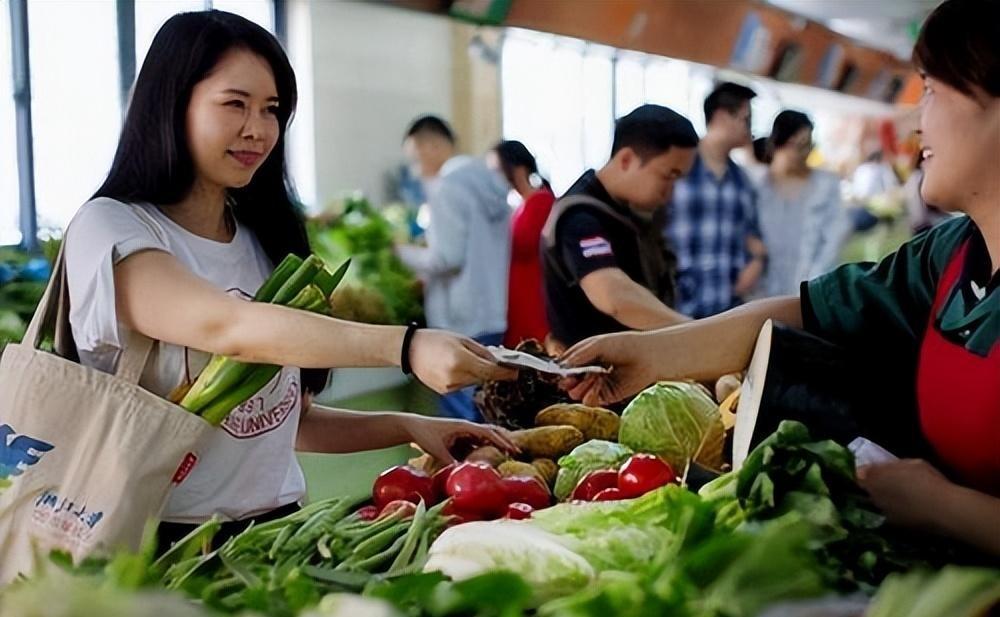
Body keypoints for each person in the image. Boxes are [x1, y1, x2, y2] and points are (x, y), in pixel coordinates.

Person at [561, 0, 999, 556]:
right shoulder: (947, 255)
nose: (917, 122)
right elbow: (802, 312)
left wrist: (946, 507)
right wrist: (651, 355)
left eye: (933, 91)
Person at [62, 12, 516, 547]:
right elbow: (225, 326)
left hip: (276, 532)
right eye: (235, 104)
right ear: (172, 102)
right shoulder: (112, 227)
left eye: (272, 110)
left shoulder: (264, 240)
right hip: (156, 544)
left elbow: (285, 424)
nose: (258, 129)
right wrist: (407, 345)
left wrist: (409, 425)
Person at [541, 104, 697, 350]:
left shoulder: (631, 214)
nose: (671, 192)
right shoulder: (580, 217)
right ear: (626, 159)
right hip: (590, 381)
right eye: (669, 176)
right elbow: (613, 295)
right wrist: (696, 332)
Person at [396, 115, 512, 420]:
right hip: (491, 312)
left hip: (459, 318)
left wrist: (400, 253)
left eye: (414, 157)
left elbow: (447, 258)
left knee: (462, 419)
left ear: (431, 145)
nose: (415, 168)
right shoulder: (489, 182)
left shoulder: (446, 187)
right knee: (487, 408)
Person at [666, 82, 768, 318]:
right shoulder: (678, 170)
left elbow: (753, 235)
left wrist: (757, 262)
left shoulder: (741, 180)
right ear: (722, 116)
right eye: (746, 119)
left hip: (728, 311)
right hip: (677, 310)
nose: (749, 129)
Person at [753, 111, 849, 297]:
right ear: (777, 143)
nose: (803, 153)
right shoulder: (757, 185)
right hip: (760, 292)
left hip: (807, 291)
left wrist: (811, 287)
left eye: (807, 145)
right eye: (796, 145)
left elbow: (834, 238)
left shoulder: (825, 185)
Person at [488, 140, 556, 348]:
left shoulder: (542, 202)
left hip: (533, 297)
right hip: (518, 297)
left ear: (516, 168)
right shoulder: (520, 206)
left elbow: (526, 244)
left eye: (497, 170)